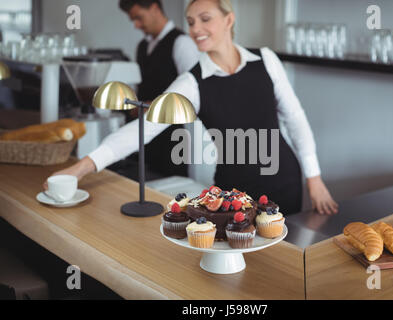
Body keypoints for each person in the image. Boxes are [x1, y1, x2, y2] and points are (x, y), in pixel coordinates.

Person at [47, 0, 338, 215]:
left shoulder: (266, 60)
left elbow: (295, 118)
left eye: (205, 19)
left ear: (228, 20)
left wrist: (314, 179)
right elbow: (143, 129)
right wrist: (81, 168)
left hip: (284, 182)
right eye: (190, 21)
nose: (195, 28)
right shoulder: (192, 83)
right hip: (231, 196)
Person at [117, 0, 199, 179]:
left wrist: (152, 105)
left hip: (172, 140)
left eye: (139, 18)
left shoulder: (182, 43)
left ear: (154, 8)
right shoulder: (142, 46)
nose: (136, 25)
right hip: (146, 135)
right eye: (133, 20)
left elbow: (196, 94)